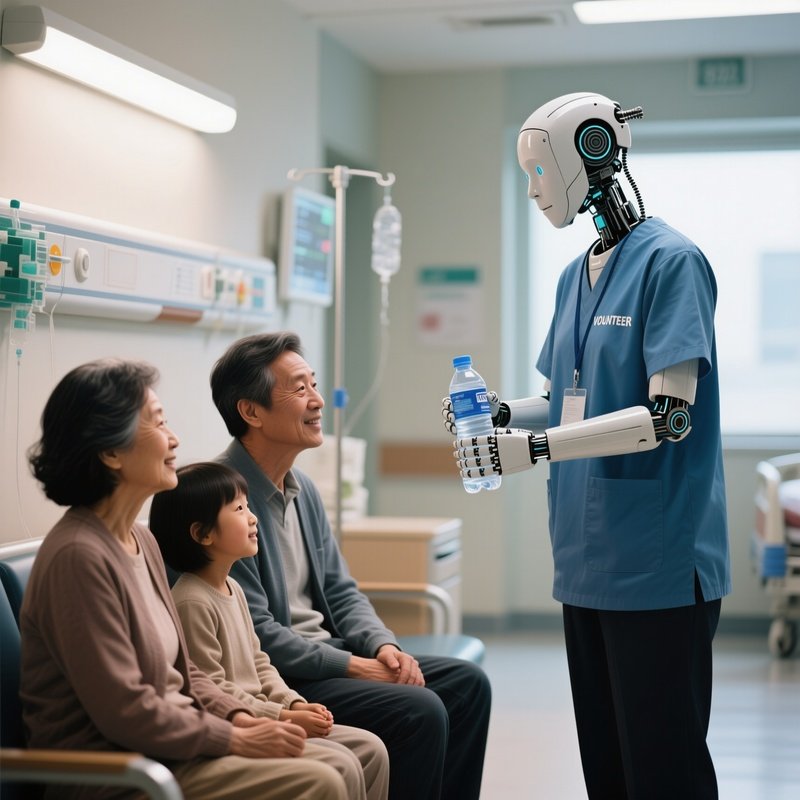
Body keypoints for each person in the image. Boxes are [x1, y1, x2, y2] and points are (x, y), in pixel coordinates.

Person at [443, 92, 730, 799]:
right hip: (586, 561)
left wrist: (534, 452)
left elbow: (668, 418)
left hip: (658, 562)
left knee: (663, 769)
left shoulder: (672, 262)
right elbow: (568, 402)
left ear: (591, 151)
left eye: (540, 170)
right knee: (607, 764)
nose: (536, 187)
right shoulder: (576, 276)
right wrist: (501, 414)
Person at [22, 358, 349, 800]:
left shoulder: (141, 540)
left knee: (356, 754)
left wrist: (242, 717)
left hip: (176, 747)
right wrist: (235, 738)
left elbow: (186, 674)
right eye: (158, 424)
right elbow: (126, 711)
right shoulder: (78, 558)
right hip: (119, 769)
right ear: (111, 453)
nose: (174, 439)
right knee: (323, 776)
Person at [209, 331, 491, 800]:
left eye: (314, 385)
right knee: (420, 709)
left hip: (330, 658)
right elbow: (256, 632)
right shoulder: (222, 502)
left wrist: (381, 646)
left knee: (467, 685)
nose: (318, 401)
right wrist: (354, 666)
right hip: (283, 679)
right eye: (299, 390)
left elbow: (341, 589)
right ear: (251, 411)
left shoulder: (304, 490)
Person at [149, 460, 390, 800]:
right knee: (343, 765)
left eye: (248, 506)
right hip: (243, 722)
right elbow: (213, 687)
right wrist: (279, 715)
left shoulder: (233, 589)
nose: (252, 518)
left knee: (371, 748)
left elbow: (261, 663)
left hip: (267, 711)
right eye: (238, 509)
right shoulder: (192, 601)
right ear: (202, 533)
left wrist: (292, 703)